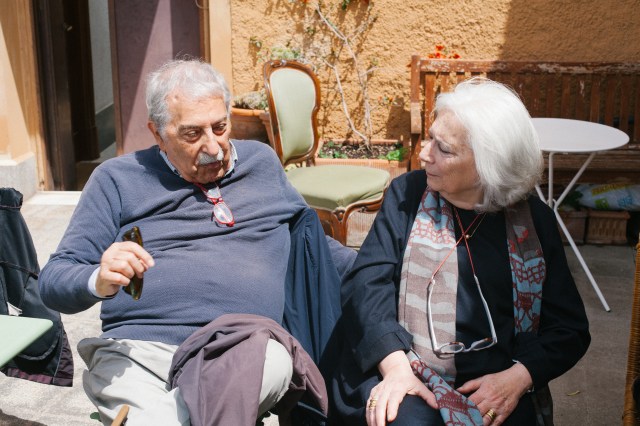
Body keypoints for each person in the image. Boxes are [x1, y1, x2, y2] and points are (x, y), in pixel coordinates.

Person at [39, 58, 350, 425]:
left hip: (242, 348)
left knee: (272, 363)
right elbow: (54, 280)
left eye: (220, 127)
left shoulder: (261, 163)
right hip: (140, 354)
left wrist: (382, 267)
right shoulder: (116, 179)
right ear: (157, 133)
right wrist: (98, 279)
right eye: (192, 134)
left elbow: (312, 247)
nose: (214, 147)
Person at [331, 78, 590, 426]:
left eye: (444, 149)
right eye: (430, 138)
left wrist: (518, 378)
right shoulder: (407, 196)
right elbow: (366, 286)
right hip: (406, 367)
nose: (424, 154)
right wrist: (395, 367)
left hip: (497, 381)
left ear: (488, 166)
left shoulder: (533, 222)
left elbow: (570, 329)